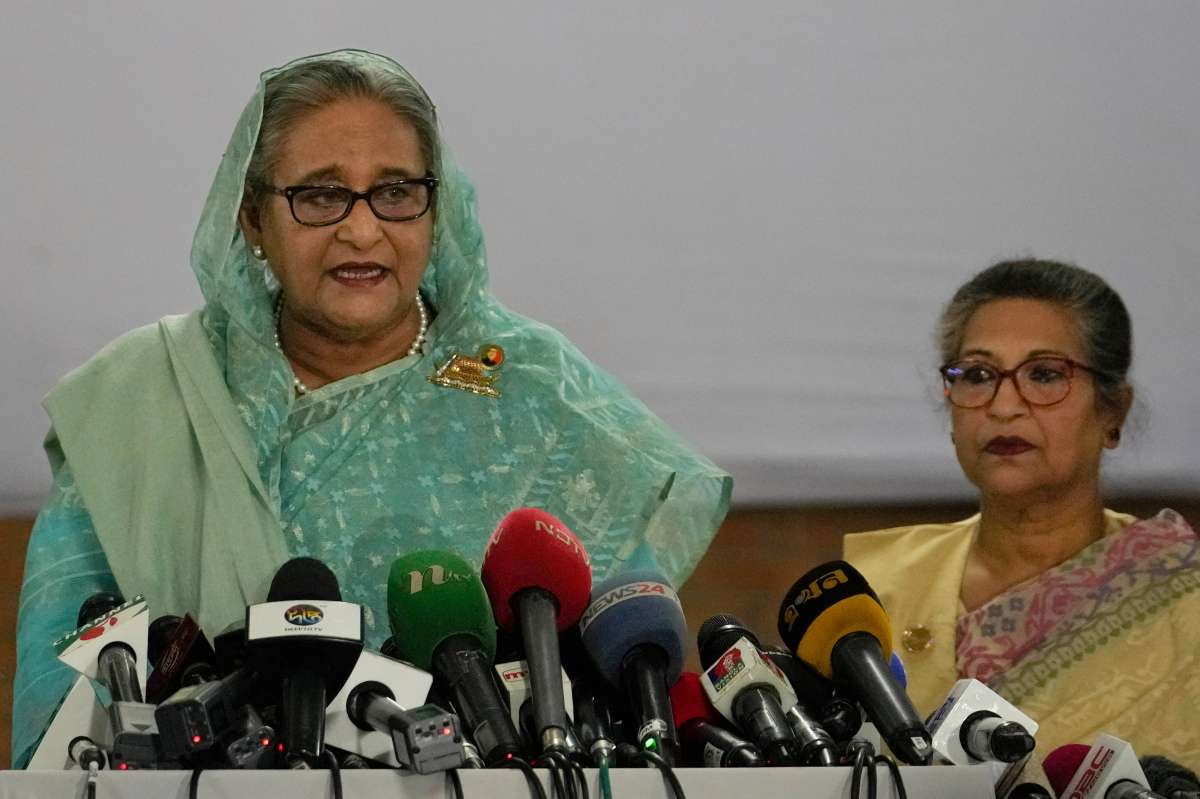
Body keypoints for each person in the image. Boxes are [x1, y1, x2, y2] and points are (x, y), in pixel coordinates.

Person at [12, 49, 731, 767]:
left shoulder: (536, 393)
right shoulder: (142, 399)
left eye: (395, 192)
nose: (361, 230)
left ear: (437, 208)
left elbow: (625, 659)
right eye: (321, 195)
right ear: (253, 218)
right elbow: (62, 706)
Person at [844, 259, 1199, 764]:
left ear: (1113, 410)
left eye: (1045, 374)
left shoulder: (1182, 602)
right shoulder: (871, 592)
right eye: (977, 375)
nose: (1004, 406)